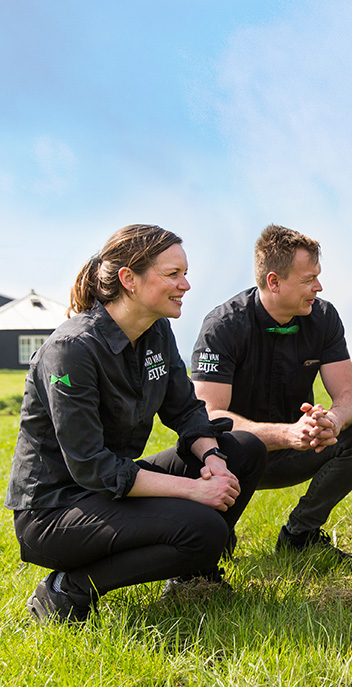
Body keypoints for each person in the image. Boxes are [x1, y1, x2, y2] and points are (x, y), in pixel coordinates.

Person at [6, 225, 267, 624]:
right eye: (172, 274)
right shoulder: (70, 351)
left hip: (112, 489)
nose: (186, 284)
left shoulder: (156, 331)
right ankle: (68, 589)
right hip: (56, 511)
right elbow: (92, 466)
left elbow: (185, 411)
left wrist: (212, 457)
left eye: (184, 273)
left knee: (244, 449)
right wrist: (195, 491)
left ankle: (191, 578)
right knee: (205, 528)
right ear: (129, 279)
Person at [190, 225, 352, 561]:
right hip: (232, 459)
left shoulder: (323, 318)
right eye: (309, 279)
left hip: (298, 448)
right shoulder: (223, 326)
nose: (318, 287)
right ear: (274, 281)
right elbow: (210, 415)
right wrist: (286, 433)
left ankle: (300, 535)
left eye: (317, 277)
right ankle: (216, 533)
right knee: (210, 551)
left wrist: (332, 422)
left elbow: (349, 393)